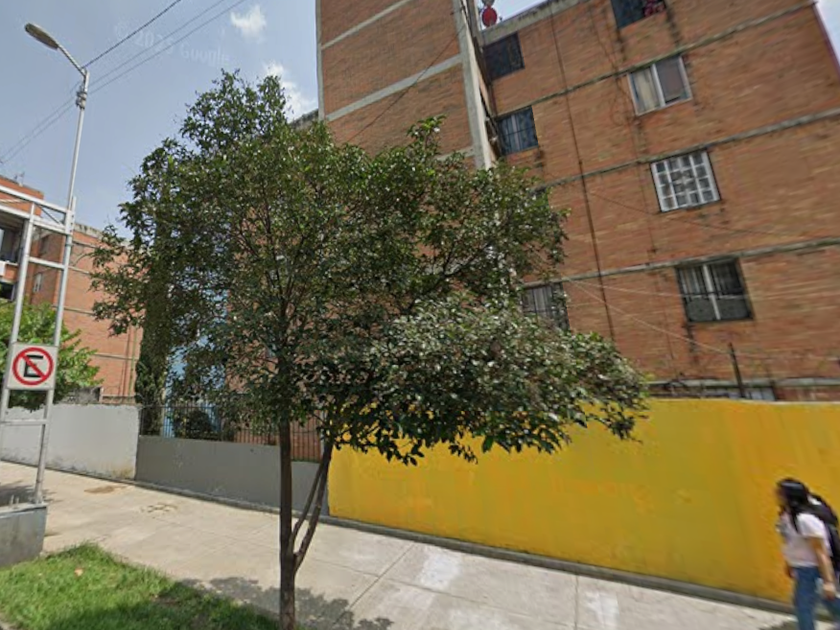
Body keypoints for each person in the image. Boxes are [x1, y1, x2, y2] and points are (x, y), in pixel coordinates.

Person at [776, 478, 840, 630]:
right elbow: (791, 541)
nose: (776, 496)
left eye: (779, 493)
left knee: (803, 605)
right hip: (802, 568)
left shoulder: (805, 519)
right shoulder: (786, 515)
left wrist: (828, 581)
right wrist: (790, 563)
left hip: (812, 569)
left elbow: (821, 551)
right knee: (828, 601)